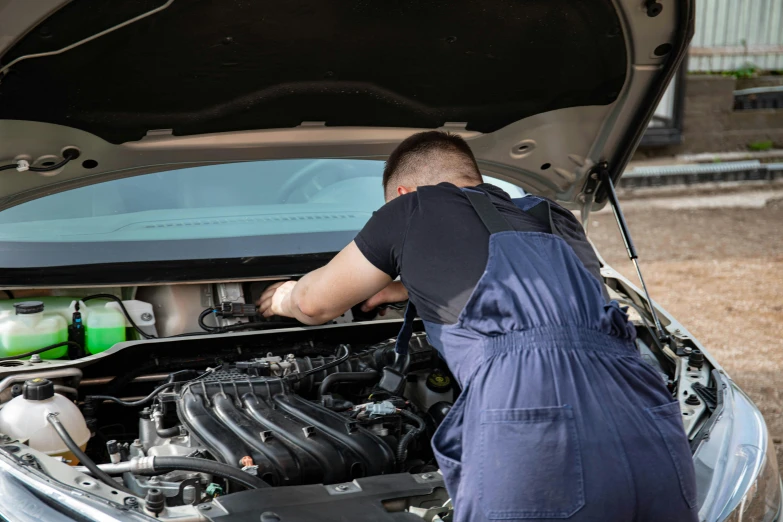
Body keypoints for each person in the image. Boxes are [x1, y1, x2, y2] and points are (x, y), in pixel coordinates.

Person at [258, 131, 698, 522]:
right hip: (641, 406)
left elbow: (315, 305)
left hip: (533, 409)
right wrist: (406, 287)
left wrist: (282, 297)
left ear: (404, 192)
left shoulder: (410, 208)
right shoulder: (553, 215)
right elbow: (548, 296)